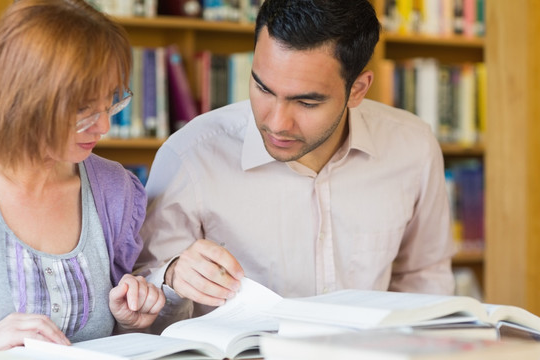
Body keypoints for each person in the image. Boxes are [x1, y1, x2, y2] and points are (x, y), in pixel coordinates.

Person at [136, 0, 455, 331]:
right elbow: (143, 312)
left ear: (357, 90)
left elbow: (422, 277)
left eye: (306, 102)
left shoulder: (412, 147)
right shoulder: (191, 156)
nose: (276, 123)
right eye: (262, 88)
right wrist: (171, 279)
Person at [0, 0, 165, 354]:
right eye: (82, 107)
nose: (103, 126)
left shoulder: (115, 191)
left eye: (111, 101)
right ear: (25, 96)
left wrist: (126, 319)